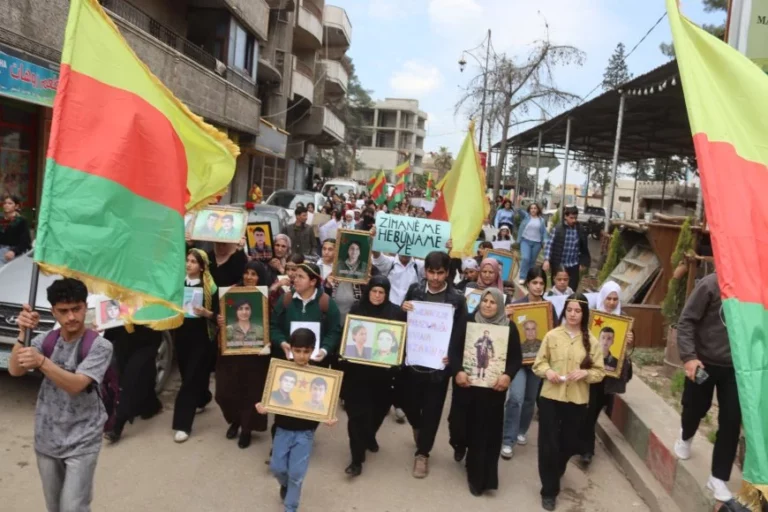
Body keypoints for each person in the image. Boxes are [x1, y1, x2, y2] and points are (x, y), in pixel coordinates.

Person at [9, 278, 114, 512]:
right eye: (63, 311)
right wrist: (22, 334)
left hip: (83, 438)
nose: (71, 317)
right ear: (54, 312)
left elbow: (76, 384)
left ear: (85, 307)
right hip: (47, 437)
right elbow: (15, 369)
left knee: (73, 507)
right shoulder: (46, 340)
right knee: (54, 507)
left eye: (76, 309)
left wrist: (42, 362)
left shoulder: (98, 346)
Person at [533, 294, 604, 511]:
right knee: (548, 444)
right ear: (565, 311)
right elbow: (538, 363)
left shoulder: (592, 342)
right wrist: (548, 372)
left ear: (584, 314)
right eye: (570, 310)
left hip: (577, 400)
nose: (573, 314)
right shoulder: (552, 336)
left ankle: (558, 466)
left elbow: (599, 372)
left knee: (569, 443)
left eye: (577, 311)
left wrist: (585, 373)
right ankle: (549, 490)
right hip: (550, 398)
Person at [255, 329, 338, 512]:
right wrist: (264, 406)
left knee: (297, 474)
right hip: (282, 429)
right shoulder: (280, 372)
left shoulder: (320, 375)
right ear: (291, 349)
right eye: (298, 351)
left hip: (305, 433)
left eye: (306, 351)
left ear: (312, 350)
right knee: (277, 468)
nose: (301, 356)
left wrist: (328, 417)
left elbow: (324, 405)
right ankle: (285, 485)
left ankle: (291, 507)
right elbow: (268, 398)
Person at [449, 288, 522, 496]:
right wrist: (458, 371)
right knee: (460, 428)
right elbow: (454, 349)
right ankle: (459, 444)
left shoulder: (509, 327)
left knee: (484, 435)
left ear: (500, 305)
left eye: (493, 302)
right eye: (485, 301)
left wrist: (507, 375)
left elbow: (516, 358)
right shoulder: (467, 321)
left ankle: (479, 478)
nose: (488, 305)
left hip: (492, 392)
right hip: (466, 387)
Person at [673, 273, 739, 502]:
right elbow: (687, 320)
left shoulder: (756, 288)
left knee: (731, 420)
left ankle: (718, 477)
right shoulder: (711, 284)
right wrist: (689, 357)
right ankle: (686, 435)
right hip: (703, 363)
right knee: (695, 407)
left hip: (736, 368)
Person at [401, 251, 467, 479]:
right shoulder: (415, 291)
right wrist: (404, 310)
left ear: (447, 273)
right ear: (425, 271)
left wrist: (452, 357)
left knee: (433, 409)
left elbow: (460, 333)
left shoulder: (457, 300)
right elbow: (404, 324)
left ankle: (423, 453)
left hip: (439, 367)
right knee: (408, 403)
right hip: (413, 362)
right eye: (431, 272)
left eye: (440, 273)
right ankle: (417, 426)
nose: (436, 277)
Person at [343, 276, 406, 476]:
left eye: (381, 292)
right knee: (356, 415)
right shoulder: (356, 309)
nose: (377, 296)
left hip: (383, 376)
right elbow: (348, 337)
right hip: (358, 374)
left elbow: (402, 343)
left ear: (387, 294)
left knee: (378, 411)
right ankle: (356, 459)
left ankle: (370, 436)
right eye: (374, 291)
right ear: (368, 291)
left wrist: (396, 362)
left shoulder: (396, 313)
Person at [215, 260, 274, 449]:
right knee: (225, 392)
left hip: (256, 356)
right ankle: (235, 420)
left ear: (260, 277)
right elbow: (220, 316)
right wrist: (219, 319)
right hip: (231, 353)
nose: (249, 277)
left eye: (254, 274)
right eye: (247, 273)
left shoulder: (268, 298)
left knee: (251, 393)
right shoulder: (231, 293)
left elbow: (273, 324)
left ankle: (246, 429)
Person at [578, 280, 634, 467]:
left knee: (594, 410)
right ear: (602, 297)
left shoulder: (624, 319)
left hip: (609, 377)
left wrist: (629, 340)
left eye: (615, 299)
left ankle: (584, 445)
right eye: (608, 298)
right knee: (588, 408)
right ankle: (586, 450)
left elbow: (624, 351)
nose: (611, 302)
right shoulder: (592, 316)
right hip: (589, 370)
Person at [502, 266, 554, 459]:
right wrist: (505, 318)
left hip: (538, 363)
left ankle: (521, 430)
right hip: (518, 361)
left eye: (541, 283)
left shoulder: (549, 308)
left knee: (530, 399)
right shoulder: (516, 306)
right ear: (528, 283)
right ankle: (507, 440)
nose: (538, 286)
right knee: (515, 397)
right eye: (535, 282)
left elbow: (553, 334)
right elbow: (505, 333)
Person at [172, 249, 218, 443]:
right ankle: (203, 397)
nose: (189, 264)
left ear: (202, 266)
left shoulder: (210, 287)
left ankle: (183, 425)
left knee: (189, 381)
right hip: (181, 337)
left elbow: (219, 316)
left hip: (201, 340)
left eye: (193, 261)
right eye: (187, 260)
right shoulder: (178, 284)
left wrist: (206, 313)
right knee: (187, 374)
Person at [271, 263, 342, 366]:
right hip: (288, 361)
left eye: (301, 277)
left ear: (313, 281)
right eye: (296, 276)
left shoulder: (327, 303)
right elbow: (274, 327)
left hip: (316, 363)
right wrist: (282, 342)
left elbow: (334, 331)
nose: (295, 280)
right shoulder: (285, 300)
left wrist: (324, 349)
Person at [102, 324, 163, 443]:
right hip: (122, 337)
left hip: (147, 336)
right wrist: (103, 322)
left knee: (131, 378)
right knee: (140, 374)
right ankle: (151, 405)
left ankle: (117, 424)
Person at [542, 206, 591, 293]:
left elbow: (584, 247)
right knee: (558, 289)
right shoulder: (558, 229)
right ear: (566, 216)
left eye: (575, 218)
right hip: (559, 264)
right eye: (571, 218)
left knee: (572, 289)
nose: (573, 220)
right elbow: (550, 244)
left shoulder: (580, 229)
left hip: (573, 264)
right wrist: (547, 260)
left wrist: (583, 262)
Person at [517, 203, 549, 284]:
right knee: (525, 258)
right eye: (531, 208)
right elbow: (519, 211)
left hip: (537, 243)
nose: (533, 210)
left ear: (538, 210)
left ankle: (529, 278)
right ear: (529, 210)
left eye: (535, 208)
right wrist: (519, 203)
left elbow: (544, 232)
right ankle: (522, 276)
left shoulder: (541, 220)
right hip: (525, 241)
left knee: (532, 262)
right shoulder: (526, 216)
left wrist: (545, 241)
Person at [0, 193, 31, 266]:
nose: (6, 205)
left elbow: (25, 241)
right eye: (5, 203)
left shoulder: (21, 221)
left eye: (10, 203)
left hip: (12, 253)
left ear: (16, 206)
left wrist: (14, 251)